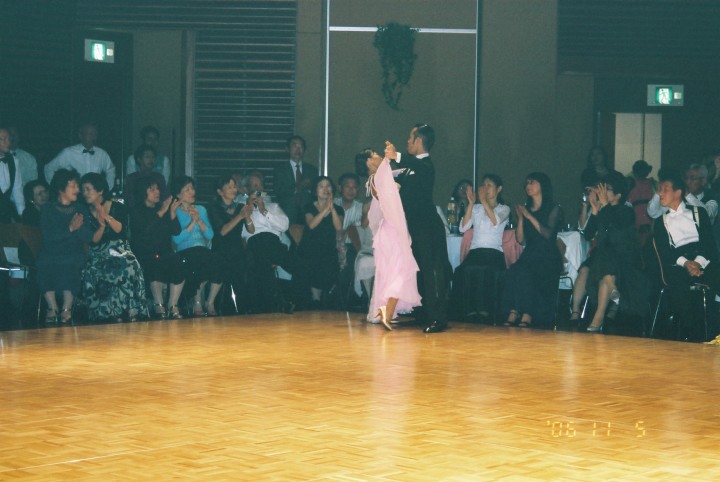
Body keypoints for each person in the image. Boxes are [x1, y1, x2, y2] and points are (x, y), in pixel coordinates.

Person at [385, 124, 451, 333]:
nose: (407, 141)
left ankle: (439, 318)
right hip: (414, 227)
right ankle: (423, 313)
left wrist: (396, 155)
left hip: (428, 227)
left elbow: (416, 165)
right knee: (419, 270)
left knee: (432, 271)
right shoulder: (410, 166)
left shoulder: (426, 165)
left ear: (419, 141)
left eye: (410, 138)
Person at [569, 172, 647, 332]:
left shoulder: (626, 211)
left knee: (606, 274)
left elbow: (616, 230)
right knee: (585, 270)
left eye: (607, 189)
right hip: (603, 256)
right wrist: (594, 209)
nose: (602, 192)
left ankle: (598, 318)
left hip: (622, 257)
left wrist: (603, 206)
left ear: (618, 195)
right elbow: (588, 234)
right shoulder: (603, 209)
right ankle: (578, 311)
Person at [653, 170, 720, 339]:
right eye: (659, 189)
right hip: (679, 263)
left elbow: (708, 244)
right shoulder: (660, 222)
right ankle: (693, 335)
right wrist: (687, 263)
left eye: (665, 189)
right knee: (679, 285)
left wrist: (697, 263)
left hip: (703, 258)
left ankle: (714, 330)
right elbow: (665, 251)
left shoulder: (698, 213)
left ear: (678, 192)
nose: (660, 193)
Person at [360, 148, 421, 330]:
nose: (379, 156)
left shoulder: (382, 176)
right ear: (368, 162)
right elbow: (386, 200)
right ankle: (387, 311)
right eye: (375, 154)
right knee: (402, 269)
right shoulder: (377, 178)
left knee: (393, 272)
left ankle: (386, 310)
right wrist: (397, 187)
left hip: (391, 229)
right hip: (391, 230)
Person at [79, 173, 147, 322]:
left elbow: (121, 231)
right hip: (97, 251)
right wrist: (101, 226)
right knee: (94, 269)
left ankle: (131, 309)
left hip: (118, 248)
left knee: (129, 265)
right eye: (83, 190)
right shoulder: (84, 211)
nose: (85, 193)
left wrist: (106, 217)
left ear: (100, 190)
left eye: (88, 189)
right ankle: (108, 312)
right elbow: (93, 241)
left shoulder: (117, 206)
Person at [501, 172, 564, 327]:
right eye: (527, 183)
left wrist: (529, 216)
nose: (528, 186)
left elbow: (548, 235)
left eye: (532, 182)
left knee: (529, 272)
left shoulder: (553, 208)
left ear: (542, 185)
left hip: (548, 255)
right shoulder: (527, 209)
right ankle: (514, 310)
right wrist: (521, 218)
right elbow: (520, 239)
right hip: (531, 253)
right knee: (515, 270)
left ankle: (527, 313)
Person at [36, 169, 94, 323]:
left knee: (70, 262)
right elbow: (48, 237)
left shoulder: (81, 208)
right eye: (73, 186)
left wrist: (78, 228)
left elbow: (88, 237)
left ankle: (67, 308)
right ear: (61, 188)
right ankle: (52, 307)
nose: (77, 190)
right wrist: (69, 229)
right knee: (45, 262)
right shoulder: (47, 209)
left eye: (77, 186)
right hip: (51, 250)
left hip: (73, 250)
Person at [450, 174, 510, 321]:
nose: (485, 188)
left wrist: (483, 201)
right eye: (484, 185)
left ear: (499, 189)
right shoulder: (476, 208)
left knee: (487, 269)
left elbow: (495, 220)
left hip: (494, 252)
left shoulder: (504, 209)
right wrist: (471, 203)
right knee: (463, 270)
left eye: (489, 185)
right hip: (476, 251)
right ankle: (468, 311)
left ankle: (485, 311)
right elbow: (463, 228)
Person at [129, 177, 186, 319]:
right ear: (143, 192)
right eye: (152, 189)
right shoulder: (136, 210)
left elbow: (176, 231)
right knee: (154, 263)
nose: (157, 192)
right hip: (144, 253)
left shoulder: (163, 209)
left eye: (158, 189)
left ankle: (172, 304)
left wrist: (172, 213)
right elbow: (145, 229)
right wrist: (162, 211)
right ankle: (158, 304)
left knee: (178, 262)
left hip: (164, 251)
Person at [171, 176, 224, 317]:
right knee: (199, 260)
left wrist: (199, 220)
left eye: (192, 188)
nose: (192, 192)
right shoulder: (175, 211)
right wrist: (192, 223)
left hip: (202, 249)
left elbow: (210, 235)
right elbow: (176, 239)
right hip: (185, 250)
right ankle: (197, 300)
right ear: (178, 194)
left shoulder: (201, 209)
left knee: (218, 260)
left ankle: (210, 302)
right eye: (187, 189)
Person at [241, 183, 293, 313]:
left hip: (273, 243)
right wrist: (248, 214)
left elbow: (285, 226)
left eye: (259, 191)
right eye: (253, 190)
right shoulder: (242, 210)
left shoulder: (273, 207)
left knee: (298, 263)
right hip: (254, 244)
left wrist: (264, 211)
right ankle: (277, 302)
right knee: (261, 260)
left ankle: (285, 301)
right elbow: (245, 233)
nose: (256, 193)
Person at [207, 175, 254, 313]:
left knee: (245, 266)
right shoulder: (214, 208)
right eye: (229, 187)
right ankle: (220, 306)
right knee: (225, 265)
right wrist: (240, 216)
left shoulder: (240, 206)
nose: (234, 190)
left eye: (234, 186)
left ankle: (244, 308)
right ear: (220, 192)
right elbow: (223, 231)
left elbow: (251, 230)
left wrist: (247, 217)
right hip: (221, 248)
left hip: (237, 247)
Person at [296, 176, 344, 308]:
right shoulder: (308, 207)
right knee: (315, 260)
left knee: (328, 262)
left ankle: (321, 300)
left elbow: (339, 227)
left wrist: (332, 208)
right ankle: (315, 300)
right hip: (309, 248)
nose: (325, 189)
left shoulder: (338, 209)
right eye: (321, 186)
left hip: (328, 250)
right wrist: (325, 210)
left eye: (328, 186)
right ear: (315, 190)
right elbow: (311, 225)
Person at [44, 122, 115, 188]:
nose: (93, 137)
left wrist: (107, 189)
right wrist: (58, 188)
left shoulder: (102, 154)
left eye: (95, 134)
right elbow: (49, 168)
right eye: (90, 134)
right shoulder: (69, 152)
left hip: (94, 195)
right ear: (80, 136)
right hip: (76, 194)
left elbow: (111, 170)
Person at [273, 135, 318, 225]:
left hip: (308, 213)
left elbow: (316, 193)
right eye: (294, 145)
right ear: (287, 149)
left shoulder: (312, 170)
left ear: (304, 150)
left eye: (301, 146)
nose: (298, 149)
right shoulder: (280, 170)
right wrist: (299, 186)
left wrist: (310, 187)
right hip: (287, 213)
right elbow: (278, 192)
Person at [124, 144, 168, 208]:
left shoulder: (159, 177)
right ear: (139, 159)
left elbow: (164, 197)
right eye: (147, 157)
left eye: (153, 157)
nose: (151, 160)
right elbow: (129, 199)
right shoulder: (132, 178)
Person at [626, 160, 656, 239]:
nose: (643, 172)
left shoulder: (652, 183)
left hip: (649, 215)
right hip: (635, 216)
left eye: (645, 170)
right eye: (640, 170)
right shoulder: (630, 182)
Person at [0, 127, 25, 222]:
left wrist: (21, 213)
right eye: (3, 139)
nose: (8, 142)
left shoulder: (13, 161)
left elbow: (17, 189)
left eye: (9, 139)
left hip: (5, 212)